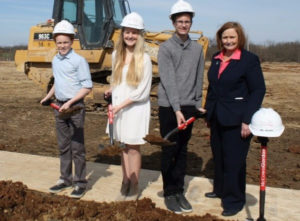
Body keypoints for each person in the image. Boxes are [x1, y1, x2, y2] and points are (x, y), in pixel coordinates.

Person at [204, 21, 266, 216]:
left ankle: (234, 200)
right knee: (220, 157)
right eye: (225, 37)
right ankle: (221, 190)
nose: (228, 41)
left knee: (234, 161)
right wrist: (207, 112)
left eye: (232, 37)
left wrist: (247, 119)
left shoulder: (249, 60)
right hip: (217, 116)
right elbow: (213, 88)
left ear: (239, 38)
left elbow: (258, 90)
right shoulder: (216, 57)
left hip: (238, 119)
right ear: (220, 39)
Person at [157, 0, 205, 214]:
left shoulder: (197, 49)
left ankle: (179, 190)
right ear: (173, 22)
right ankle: (169, 192)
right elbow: (168, 81)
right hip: (169, 107)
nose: (184, 25)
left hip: (187, 106)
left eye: (187, 21)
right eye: (180, 21)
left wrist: (197, 104)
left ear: (191, 22)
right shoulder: (166, 48)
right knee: (169, 149)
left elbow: (198, 77)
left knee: (183, 150)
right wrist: (176, 109)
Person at [40, 20, 93, 198]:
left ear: (72, 41)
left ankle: (80, 183)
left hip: (74, 107)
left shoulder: (79, 61)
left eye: (65, 42)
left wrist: (70, 103)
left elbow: (87, 87)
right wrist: (48, 97)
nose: (62, 46)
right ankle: (65, 179)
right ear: (55, 42)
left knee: (77, 147)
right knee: (63, 146)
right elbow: (57, 82)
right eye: (59, 42)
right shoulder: (56, 60)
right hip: (59, 106)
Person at [104, 12, 152, 201]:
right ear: (122, 33)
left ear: (140, 35)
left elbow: (142, 91)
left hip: (134, 109)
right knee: (123, 147)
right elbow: (118, 80)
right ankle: (124, 181)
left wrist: (119, 107)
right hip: (119, 108)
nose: (130, 36)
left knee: (133, 148)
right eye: (127, 32)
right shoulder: (117, 54)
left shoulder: (144, 59)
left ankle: (134, 185)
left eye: (134, 33)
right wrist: (110, 90)